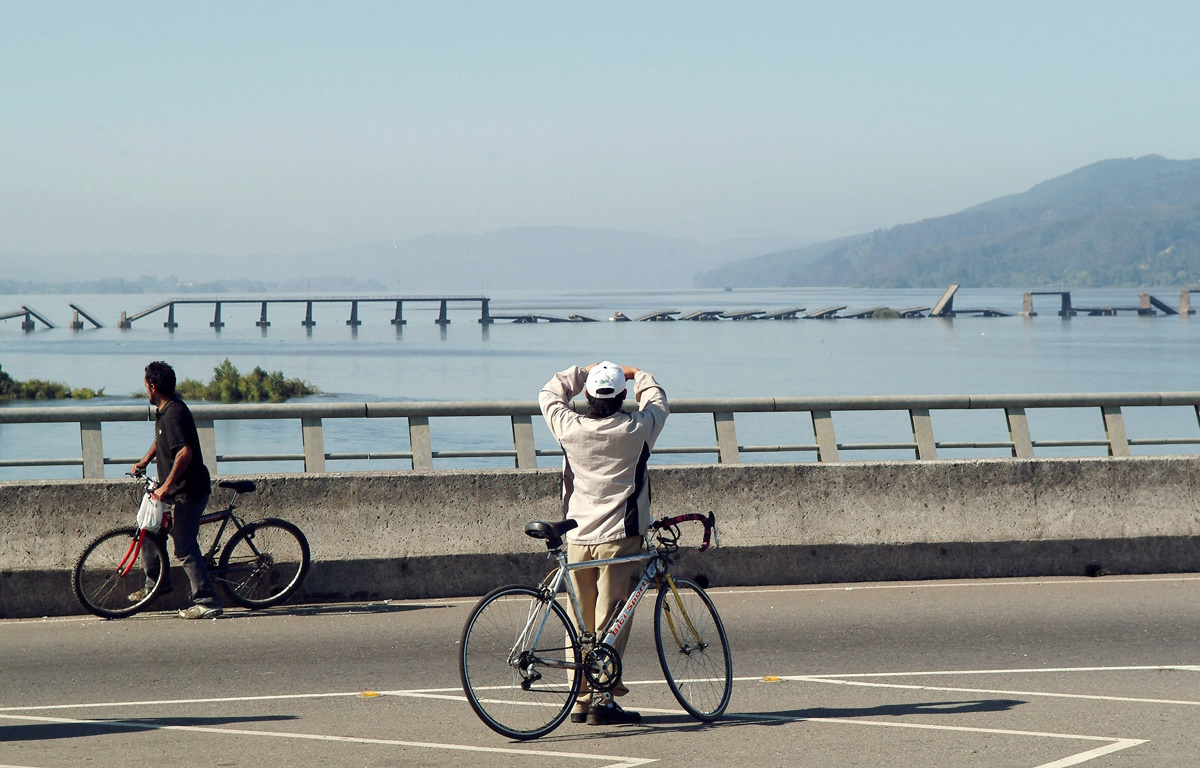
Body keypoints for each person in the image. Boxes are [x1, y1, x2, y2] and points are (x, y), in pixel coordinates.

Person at [539, 360, 668, 726]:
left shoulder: (570, 427)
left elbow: (549, 394)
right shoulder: (636, 429)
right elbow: (658, 400)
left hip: (577, 534)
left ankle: (579, 698)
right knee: (610, 620)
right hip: (620, 537)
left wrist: (580, 371)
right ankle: (603, 698)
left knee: (579, 620)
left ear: (588, 396)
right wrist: (637, 373)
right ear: (623, 397)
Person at [130, 361, 222, 620]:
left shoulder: (174, 413)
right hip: (174, 491)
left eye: (145, 385)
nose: (145, 390)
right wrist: (145, 461)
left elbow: (184, 452)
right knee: (149, 532)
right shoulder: (165, 411)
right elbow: (161, 439)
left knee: (184, 546)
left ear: (152, 386)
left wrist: (166, 486)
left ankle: (207, 601)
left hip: (188, 492)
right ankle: (157, 584)